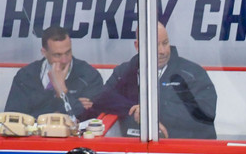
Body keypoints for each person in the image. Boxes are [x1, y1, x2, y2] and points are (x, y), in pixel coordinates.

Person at [86, 22, 217, 139]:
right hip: (136, 150)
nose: (162, 51)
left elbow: (206, 113)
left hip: (187, 150)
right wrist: (137, 110)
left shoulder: (192, 73)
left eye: (165, 43)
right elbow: (101, 100)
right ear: (138, 46)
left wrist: (153, 110)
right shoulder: (124, 72)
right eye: (155, 45)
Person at [3, 26, 103, 120]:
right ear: (44, 52)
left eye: (68, 52)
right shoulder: (25, 76)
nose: (64, 60)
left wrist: (62, 90)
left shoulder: (89, 76)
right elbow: (12, 118)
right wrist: (56, 113)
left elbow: (89, 118)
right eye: (57, 55)